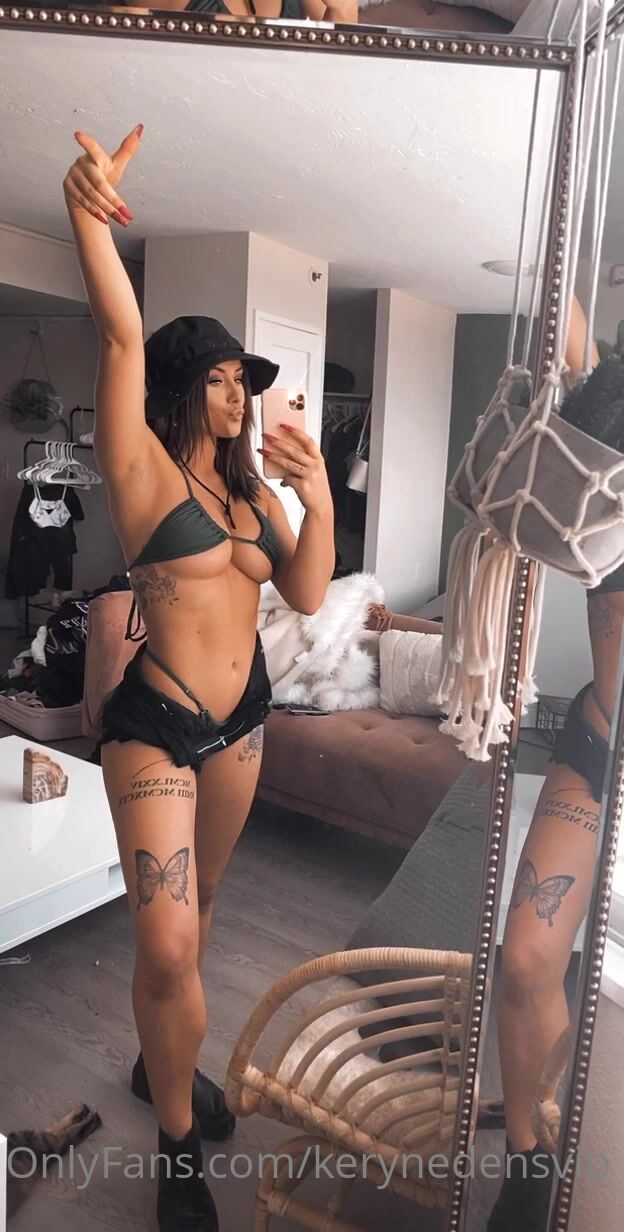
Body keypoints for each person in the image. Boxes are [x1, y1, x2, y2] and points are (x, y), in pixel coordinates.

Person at [63, 122, 335, 1232]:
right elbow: (120, 333)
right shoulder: (137, 468)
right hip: (158, 726)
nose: (239, 398)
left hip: (245, 721)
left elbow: (306, 592)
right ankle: (179, 1149)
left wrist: (318, 496)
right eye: (220, 381)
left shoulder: (251, 492)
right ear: (182, 388)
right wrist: (87, 213)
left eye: (243, 382)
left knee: (205, 906)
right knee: (167, 941)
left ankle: (159, 1066)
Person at [487, 300, 622, 1232]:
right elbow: (574, 344)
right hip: (598, 742)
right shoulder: (607, 440)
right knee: (530, 956)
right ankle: (529, 1155)